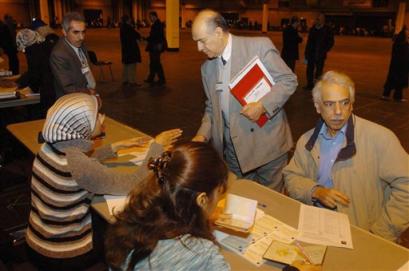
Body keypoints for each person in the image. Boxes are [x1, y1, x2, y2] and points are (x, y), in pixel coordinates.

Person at [25, 93, 182, 270]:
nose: (102, 117)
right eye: (96, 115)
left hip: (40, 238)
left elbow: (80, 163)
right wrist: (157, 147)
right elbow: (133, 183)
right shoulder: (80, 167)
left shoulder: (48, 147)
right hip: (64, 253)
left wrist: (114, 147)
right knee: (123, 230)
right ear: (80, 126)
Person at [283, 71, 409, 242]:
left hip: (363, 234)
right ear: (317, 107)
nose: (338, 112)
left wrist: (380, 233)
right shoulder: (307, 140)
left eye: (344, 103)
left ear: (352, 105)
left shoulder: (380, 138)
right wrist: (315, 191)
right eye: (329, 104)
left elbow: (406, 185)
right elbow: (291, 176)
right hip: (318, 229)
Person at [191, 9, 297, 191]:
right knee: (237, 203)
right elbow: (211, 108)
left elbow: (288, 80)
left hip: (267, 148)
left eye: (202, 41)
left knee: (270, 205)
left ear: (218, 32)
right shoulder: (207, 68)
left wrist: (263, 106)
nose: (199, 48)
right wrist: (202, 135)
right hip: (234, 153)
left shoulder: (258, 47)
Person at [105, 142, 230, 270]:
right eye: (219, 193)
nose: (218, 202)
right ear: (202, 200)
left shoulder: (133, 218)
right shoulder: (204, 255)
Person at [50, 12, 96, 98]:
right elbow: (67, 88)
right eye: (76, 32)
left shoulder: (79, 44)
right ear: (64, 32)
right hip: (73, 101)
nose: (82, 37)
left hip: (87, 94)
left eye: (83, 32)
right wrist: (90, 92)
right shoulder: (59, 54)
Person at [15, 29, 56, 117]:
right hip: (56, 85)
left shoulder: (32, 50)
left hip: (49, 89)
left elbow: (35, 74)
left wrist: (28, 87)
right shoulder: (45, 45)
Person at [303, 13, 334, 90]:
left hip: (320, 54)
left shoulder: (327, 30)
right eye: (317, 19)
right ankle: (309, 84)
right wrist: (306, 53)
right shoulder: (312, 29)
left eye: (319, 19)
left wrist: (325, 49)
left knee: (319, 71)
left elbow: (331, 41)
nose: (317, 21)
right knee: (309, 70)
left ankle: (317, 85)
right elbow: (309, 42)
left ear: (323, 20)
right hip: (311, 54)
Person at [381, 26, 409, 102]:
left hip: (395, 65)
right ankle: (394, 96)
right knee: (399, 80)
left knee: (393, 79)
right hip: (401, 65)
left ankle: (388, 95)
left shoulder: (398, 43)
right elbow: (405, 56)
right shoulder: (404, 44)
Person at [144, 11, 166, 86]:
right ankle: (151, 77)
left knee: (156, 63)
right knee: (153, 63)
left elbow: (156, 36)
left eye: (150, 17)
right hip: (154, 46)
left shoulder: (157, 24)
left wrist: (147, 39)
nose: (150, 19)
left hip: (155, 47)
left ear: (154, 16)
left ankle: (161, 79)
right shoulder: (157, 24)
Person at [120, 15, 142, 86]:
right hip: (131, 50)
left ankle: (125, 80)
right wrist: (141, 38)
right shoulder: (129, 28)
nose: (130, 20)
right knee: (132, 66)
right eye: (129, 19)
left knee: (126, 65)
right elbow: (136, 35)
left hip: (125, 49)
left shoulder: (122, 27)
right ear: (127, 20)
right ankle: (132, 81)